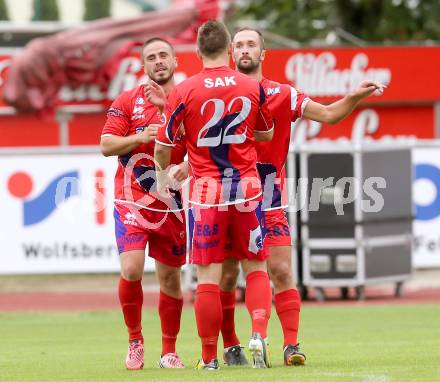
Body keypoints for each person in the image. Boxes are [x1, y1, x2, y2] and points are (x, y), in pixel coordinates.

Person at [219, 27, 386, 367]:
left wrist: (355, 96)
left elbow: (327, 114)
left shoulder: (283, 94)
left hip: (270, 197)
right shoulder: (219, 96)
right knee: (225, 276)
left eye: (252, 44)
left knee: (280, 270)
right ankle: (232, 344)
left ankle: (290, 346)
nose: (245, 50)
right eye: (239, 45)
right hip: (226, 196)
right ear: (229, 54)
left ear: (263, 53)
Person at [152, 20, 275, 370]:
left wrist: (163, 177)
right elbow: (266, 134)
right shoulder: (251, 85)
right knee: (256, 268)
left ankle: (208, 358)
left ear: (197, 52)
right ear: (230, 51)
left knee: (208, 276)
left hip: (207, 192)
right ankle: (258, 334)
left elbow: (162, 147)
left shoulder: (184, 90)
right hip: (247, 187)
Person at [100, 37, 188, 370]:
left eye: (164, 55)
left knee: (170, 280)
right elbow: (106, 145)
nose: (158, 61)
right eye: (151, 57)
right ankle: (135, 341)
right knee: (132, 269)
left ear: (175, 61)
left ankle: (169, 351)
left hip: (171, 202)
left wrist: (167, 110)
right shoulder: (128, 100)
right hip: (132, 198)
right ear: (144, 65)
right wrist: (141, 136)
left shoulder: (188, 98)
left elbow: (197, 148)